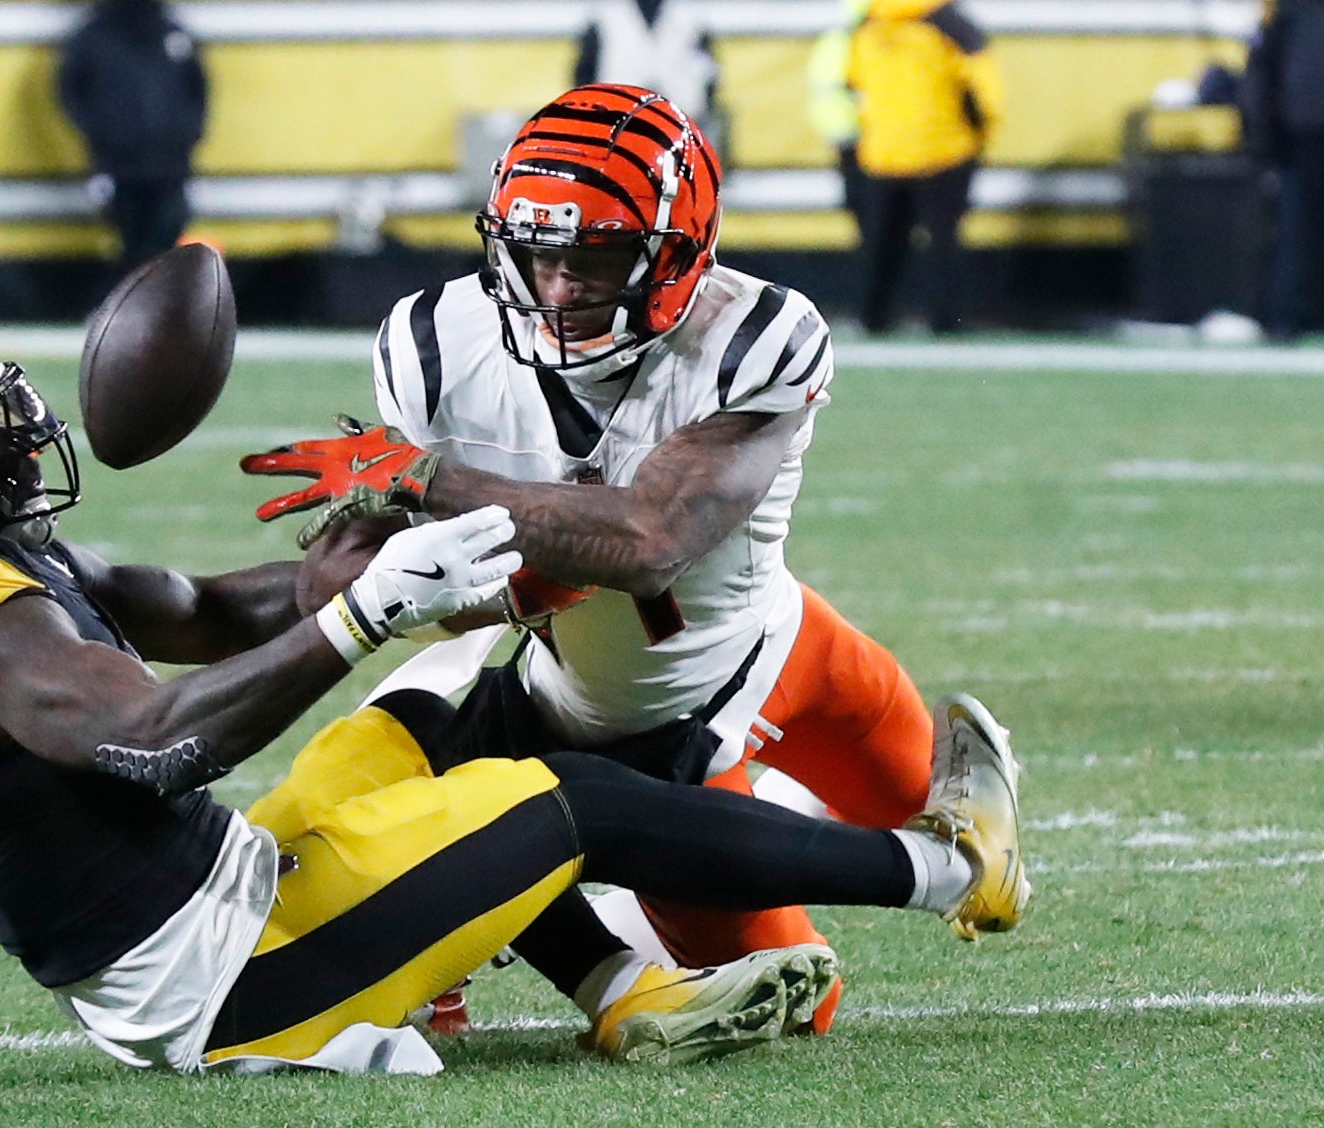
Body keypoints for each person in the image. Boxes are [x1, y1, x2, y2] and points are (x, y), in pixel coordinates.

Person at [0, 315, 1027, 1075]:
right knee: (558, 798)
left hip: (233, 901)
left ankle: (624, 994)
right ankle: (948, 867)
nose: (22, 433)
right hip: (225, 984)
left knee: (440, 712)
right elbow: (152, 745)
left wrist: (369, 572)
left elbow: (205, 612)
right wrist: (363, 613)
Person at [243, 84, 1031, 1039]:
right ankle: (579, 927)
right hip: (623, 712)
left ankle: (631, 875)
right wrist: (441, 581)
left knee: (981, 865)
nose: (563, 286)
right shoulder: (433, 342)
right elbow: (382, 582)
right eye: (537, 255)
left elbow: (651, 542)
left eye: (600, 255)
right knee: (801, 1001)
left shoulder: (754, 334)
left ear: (680, 251)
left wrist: (428, 481)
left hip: (793, 654)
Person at [847, 0, 1004, 334]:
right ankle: (945, 322)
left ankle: (873, 318)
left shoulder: (868, 24)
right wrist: (981, 133)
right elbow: (984, 86)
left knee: (881, 243)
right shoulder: (951, 23)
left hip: (883, 152)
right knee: (943, 243)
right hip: (944, 150)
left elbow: (854, 81)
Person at [58, 0, 207, 275]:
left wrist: (187, 133)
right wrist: (103, 133)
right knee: (133, 244)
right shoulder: (93, 37)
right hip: (120, 167)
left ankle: (142, 308)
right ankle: (125, 306)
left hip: (171, 166)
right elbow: (71, 92)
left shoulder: (172, 34)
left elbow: (197, 90)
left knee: (164, 238)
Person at [1241, 0, 1324, 343]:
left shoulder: (1289, 7)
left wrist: (1260, 133)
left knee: (1296, 221)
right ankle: (1291, 312)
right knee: (1296, 220)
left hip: (1301, 119)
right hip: (1303, 120)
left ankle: (1288, 315)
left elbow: (1262, 65)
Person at [573, 0, 723, 157]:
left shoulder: (690, 12)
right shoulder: (605, 12)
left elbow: (709, 73)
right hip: (616, 130)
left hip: (682, 132)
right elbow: (584, 72)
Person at [806, 0, 872, 236]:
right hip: (868, 139)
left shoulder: (837, 36)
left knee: (867, 219)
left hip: (844, 132)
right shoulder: (865, 37)